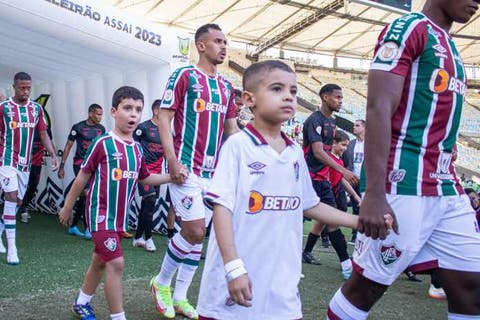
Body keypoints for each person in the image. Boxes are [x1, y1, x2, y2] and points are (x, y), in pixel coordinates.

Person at [196, 60, 393, 320]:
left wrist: (360, 222)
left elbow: (310, 204)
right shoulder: (237, 146)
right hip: (235, 284)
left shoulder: (293, 153)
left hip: (282, 288)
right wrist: (233, 268)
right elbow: (222, 210)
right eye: (277, 89)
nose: (288, 96)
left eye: (293, 91)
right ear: (249, 99)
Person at [327, 1, 480, 319]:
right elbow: (378, 107)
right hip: (405, 182)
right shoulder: (408, 28)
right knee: (366, 288)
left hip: (447, 187)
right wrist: (375, 194)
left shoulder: (449, 43)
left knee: (472, 289)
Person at [58, 86, 184, 320]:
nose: (133, 114)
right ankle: (118, 317)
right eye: (127, 108)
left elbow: (145, 178)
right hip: (99, 215)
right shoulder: (102, 142)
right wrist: (67, 206)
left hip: (118, 219)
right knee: (116, 264)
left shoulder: (137, 149)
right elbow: (82, 177)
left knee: (99, 261)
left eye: (138, 109)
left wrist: (171, 176)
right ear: (114, 112)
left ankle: (81, 302)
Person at [150, 23, 239, 319]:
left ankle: (180, 296)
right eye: (217, 41)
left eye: (225, 42)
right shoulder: (184, 76)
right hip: (185, 169)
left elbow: (231, 129)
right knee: (194, 230)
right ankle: (161, 283)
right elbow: (164, 117)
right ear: (201, 46)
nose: (223, 47)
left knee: (197, 237)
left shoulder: (226, 87)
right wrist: (172, 160)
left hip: (214, 174)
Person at [301, 83, 359, 279]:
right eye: (337, 97)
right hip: (306, 178)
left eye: (342, 98)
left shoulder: (332, 122)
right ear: (325, 97)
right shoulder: (314, 120)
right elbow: (317, 152)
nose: (340, 101)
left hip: (322, 180)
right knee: (291, 221)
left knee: (332, 220)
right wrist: (343, 171)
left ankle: (346, 264)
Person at [0, 72, 58, 264]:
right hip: (7, 161)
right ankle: (12, 249)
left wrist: (52, 153)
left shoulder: (36, 109)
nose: (25, 91)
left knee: (16, 202)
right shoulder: (4, 108)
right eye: (22, 88)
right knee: (11, 195)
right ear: (14, 87)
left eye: (28, 88)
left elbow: (43, 134)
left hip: (25, 164)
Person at [58, 103, 105, 239]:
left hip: (94, 166)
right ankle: (88, 228)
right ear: (90, 113)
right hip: (80, 165)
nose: (100, 117)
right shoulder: (78, 127)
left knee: (85, 197)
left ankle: (73, 226)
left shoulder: (101, 129)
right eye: (98, 114)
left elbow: (102, 148)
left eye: (101, 114)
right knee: (86, 192)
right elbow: (68, 147)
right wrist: (61, 167)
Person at [132, 99, 164, 252]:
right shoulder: (143, 128)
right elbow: (133, 147)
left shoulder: (166, 129)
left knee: (147, 205)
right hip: (144, 173)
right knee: (150, 200)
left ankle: (138, 237)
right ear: (156, 111)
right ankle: (149, 238)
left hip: (157, 174)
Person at [19, 127, 54, 223]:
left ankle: (24, 206)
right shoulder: (25, 125)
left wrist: (54, 157)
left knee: (33, 186)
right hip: (22, 163)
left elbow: (49, 143)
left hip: (37, 163)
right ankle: (18, 210)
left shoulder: (46, 129)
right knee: (19, 186)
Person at [329, 130, 362, 212]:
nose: (345, 148)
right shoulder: (327, 159)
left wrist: (356, 196)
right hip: (327, 192)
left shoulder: (340, 161)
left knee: (341, 210)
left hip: (336, 192)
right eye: (343, 145)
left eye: (347, 146)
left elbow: (341, 179)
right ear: (334, 143)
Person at [344, 119, 365, 243]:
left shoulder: (372, 144)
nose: (354, 127)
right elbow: (346, 162)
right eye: (354, 125)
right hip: (352, 179)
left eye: (357, 125)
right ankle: (354, 233)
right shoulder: (351, 144)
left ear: (364, 128)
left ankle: (363, 232)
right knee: (355, 207)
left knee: (365, 207)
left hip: (366, 180)